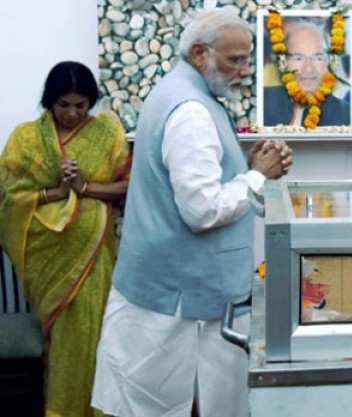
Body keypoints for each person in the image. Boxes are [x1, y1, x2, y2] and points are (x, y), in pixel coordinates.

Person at [91, 9, 292, 417]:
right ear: (200, 53)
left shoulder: (181, 92)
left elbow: (198, 179)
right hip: (179, 302)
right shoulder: (191, 112)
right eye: (236, 60)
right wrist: (257, 176)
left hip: (172, 293)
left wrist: (245, 166)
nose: (245, 71)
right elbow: (201, 210)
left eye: (247, 60)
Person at [0, 61, 130, 417]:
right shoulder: (27, 139)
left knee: (93, 332)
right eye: (63, 105)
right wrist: (56, 191)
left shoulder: (107, 133)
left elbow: (127, 185)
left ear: (91, 102)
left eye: (80, 105)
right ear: (49, 101)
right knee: (63, 338)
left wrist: (83, 187)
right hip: (48, 260)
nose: (72, 113)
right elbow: (9, 198)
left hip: (93, 256)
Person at [262, 19, 351, 126]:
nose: (308, 68)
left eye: (318, 58)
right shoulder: (263, 101)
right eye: (298, 58)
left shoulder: (347, 117)